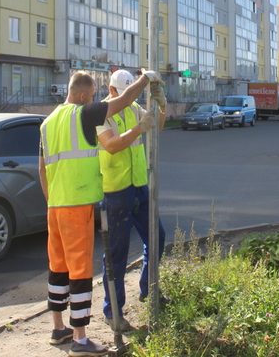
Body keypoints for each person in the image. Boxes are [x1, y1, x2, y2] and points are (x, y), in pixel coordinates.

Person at [39, 69, 161, 357]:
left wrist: (50, 201)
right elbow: (124, 100)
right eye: (92, 96)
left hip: (54, 207)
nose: (94, 99)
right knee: (80, 271)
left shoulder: (47, 122)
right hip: (78, 204)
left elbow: (42, 168)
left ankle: (58, 329)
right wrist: (145, 79)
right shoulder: (84, 114)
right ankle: (80, 340)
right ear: (83, 95)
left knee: (58, 268)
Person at [97, 70, 167, 331]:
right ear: (113, 90)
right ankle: (113, 312)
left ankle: (150, 290)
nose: (131, 98)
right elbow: (112, 145)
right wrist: (139, 127)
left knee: (157, 237)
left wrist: (161, 106)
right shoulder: (99, 113)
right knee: (116, 254)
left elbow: (156, 128)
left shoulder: (134, 107)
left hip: (139, 187)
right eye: (127, 93)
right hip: (115, 191)